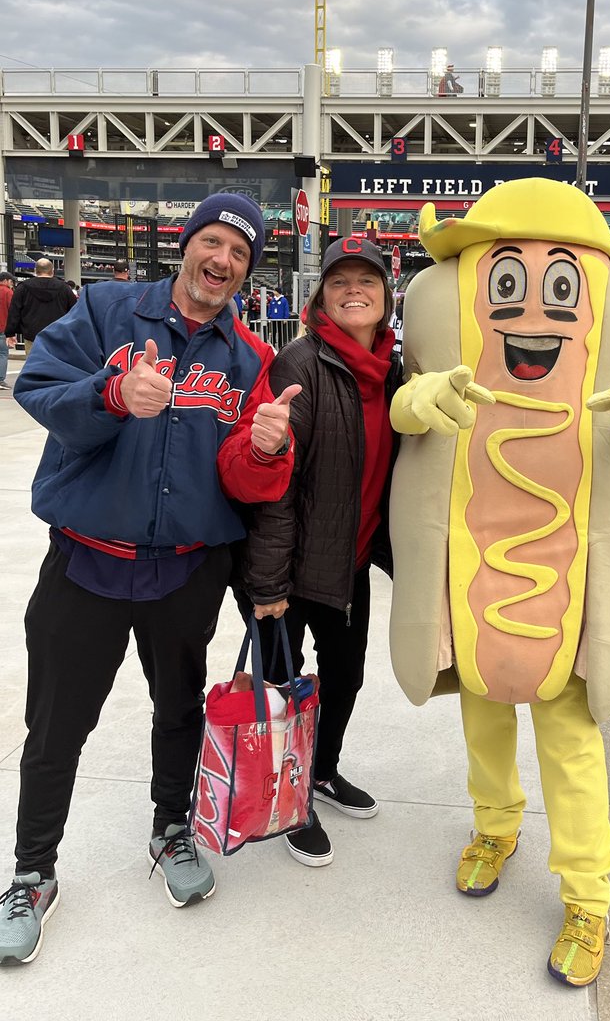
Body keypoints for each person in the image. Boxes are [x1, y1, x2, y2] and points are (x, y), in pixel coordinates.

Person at [387, 179, 610, 988]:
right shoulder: (441, 339)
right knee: (483, 711)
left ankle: (588, 895)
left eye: (559, 291)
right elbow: (403, 410)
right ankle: (496, 825)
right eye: (505, 287)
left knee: (570, 736)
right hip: (475, 559)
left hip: (568, 568)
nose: (531, 317)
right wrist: (421, 396)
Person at [0, 192, 298, 966]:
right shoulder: (105, 312)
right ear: (186, 245)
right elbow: (37, 388)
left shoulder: (249, 358)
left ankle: (171, 832)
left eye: (239, 254)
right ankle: (33, 873)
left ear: (247, 271)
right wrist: (107, 394)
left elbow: (241, 479)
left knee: (179, 711)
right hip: (86, 563)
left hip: (185, 575)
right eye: (212, 243)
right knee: (58, 724)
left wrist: (265, 448)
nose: (223, 261)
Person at [241, 236, 401, 868]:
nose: (354, 291)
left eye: (367, 280)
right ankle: (290, 797)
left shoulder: (396, 371)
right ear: (321, 298)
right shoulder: (300, 365)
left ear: (387, 296)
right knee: (283, 690)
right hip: (295, 567)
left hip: (351, 564)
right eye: (340, 282)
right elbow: (277, 489)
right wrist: (267, 586)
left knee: (345, 678)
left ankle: (322, 771)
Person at [4, 259, 77, 357]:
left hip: (32, 335)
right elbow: (75, 312)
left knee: (34, 366)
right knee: (56, 366)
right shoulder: (64, 288)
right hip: (58, 335)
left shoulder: (23, 288)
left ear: (35, 271)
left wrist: (10, 333)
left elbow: (14, 311)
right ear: (52, 271)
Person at [0, 272, 14, 390]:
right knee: (2, 354)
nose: (12, 284)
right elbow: (12, 309)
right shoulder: (7, 292)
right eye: (11, 281)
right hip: (2, 326)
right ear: (5, 280)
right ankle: (0, 380)